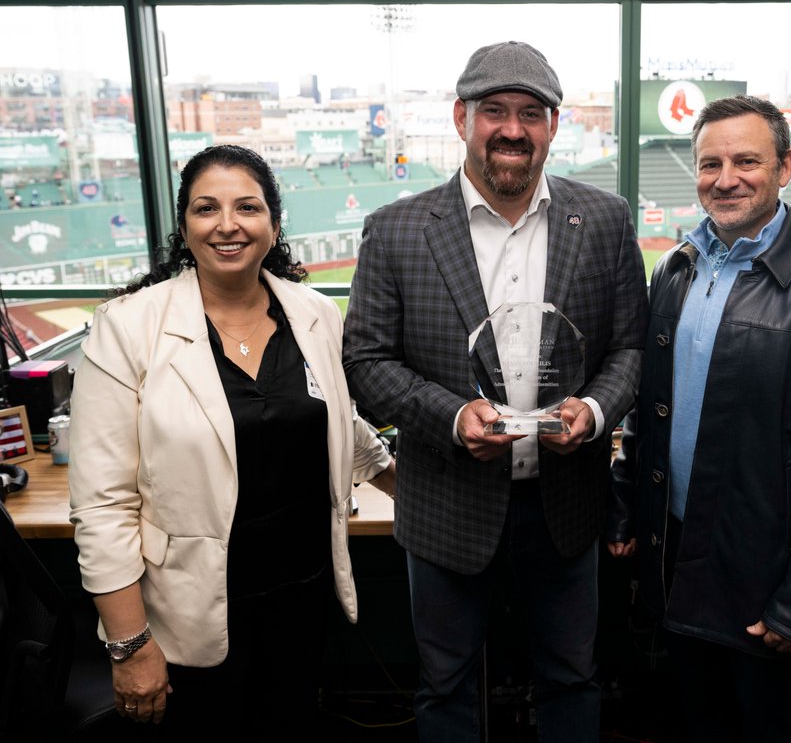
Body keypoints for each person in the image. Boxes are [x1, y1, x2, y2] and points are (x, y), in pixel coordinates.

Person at [342, 41, 648, 742]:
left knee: (573, 678)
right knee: (445, 689)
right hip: (446, 504)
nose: (513, 129)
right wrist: (451, 418)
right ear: (461, 118)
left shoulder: (603, 220)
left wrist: (596, 411)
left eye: (531, 113)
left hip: (566, 504)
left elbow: (630, 347)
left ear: (552, 125)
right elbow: (365, 362)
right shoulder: (395, 231)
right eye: (495, 111)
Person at [69, 145, 395, 731]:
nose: (227, 225)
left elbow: (334, 418)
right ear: (185, 225)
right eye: (205, 208)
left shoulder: (316, 313)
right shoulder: (127, 326)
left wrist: (422, 486)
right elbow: (102, 505)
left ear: (273, 222)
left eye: (246, 207)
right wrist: (128, 643)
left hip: (302, 595)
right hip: (188, 615)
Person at [606, 95, 791, 742]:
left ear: (785, 167)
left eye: (746, 161)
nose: (725, 178)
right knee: (694, 720)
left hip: (768, 580)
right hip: (676, 556)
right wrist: (627, 509)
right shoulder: (674, 270)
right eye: (710, 163)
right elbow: (646, 414)